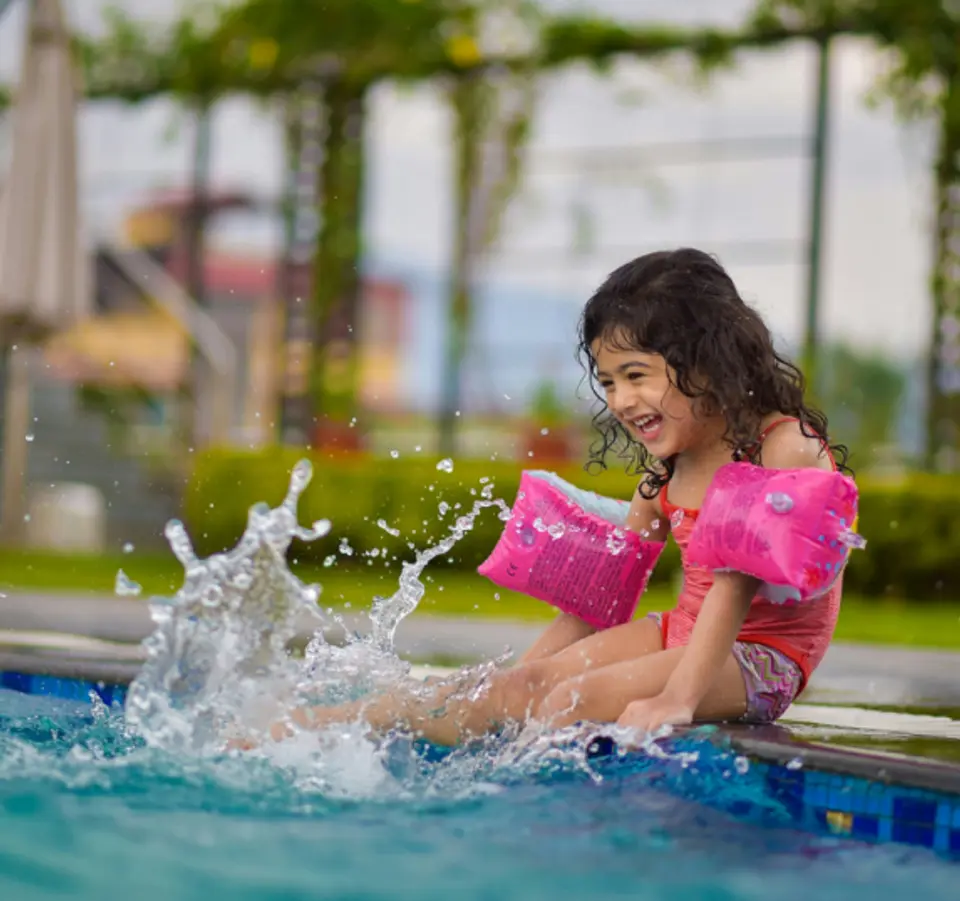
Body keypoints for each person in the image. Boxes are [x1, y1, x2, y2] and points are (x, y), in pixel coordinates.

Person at [241, 248, 851, 750]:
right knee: (516, 690)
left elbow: (732, 587)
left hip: (761, 658)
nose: (619, 401)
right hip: (679, 635)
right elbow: (599, 603)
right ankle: (309, 730)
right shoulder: (668, 471)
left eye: (637, 376)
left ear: (707, 362)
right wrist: (510, 684)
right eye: (608, 382)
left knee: (570, 702)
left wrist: (674, 701)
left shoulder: (781, 448)